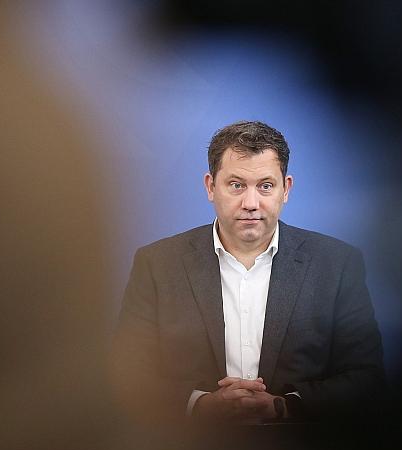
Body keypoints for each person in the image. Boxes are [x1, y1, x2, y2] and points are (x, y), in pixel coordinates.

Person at [111, 120, 385, 425]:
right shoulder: (157, 264)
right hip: (191, 449)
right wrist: (201, 405)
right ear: (210, 187)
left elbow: (366, 376)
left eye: (265, 186)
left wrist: (285, 407)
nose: (251, 203)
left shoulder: (337, 264)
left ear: (286, 189)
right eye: (236, 185)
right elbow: (128, 373)